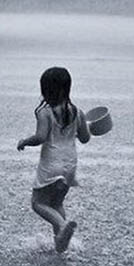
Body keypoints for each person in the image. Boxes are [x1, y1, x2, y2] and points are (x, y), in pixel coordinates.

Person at [17, 67, 90, 253]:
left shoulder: (45, 112)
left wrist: (25, 141)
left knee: (38, 203)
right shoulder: (78, 112)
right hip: (69, 165)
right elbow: (85, 138)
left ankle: (62, 226)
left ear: (45, 90)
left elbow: (41, 137)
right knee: (56, 203)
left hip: (51, 165)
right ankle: (60, 242)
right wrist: (86, 127)